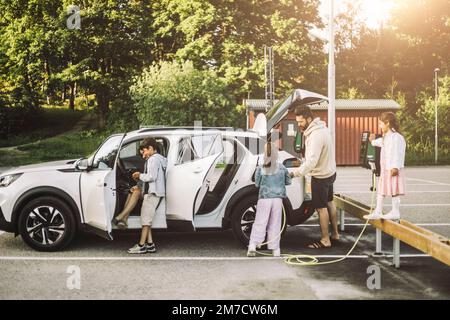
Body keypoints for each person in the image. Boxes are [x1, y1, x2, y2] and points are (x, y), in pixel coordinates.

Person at [290, 105, 338, 249]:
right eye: (297, 122)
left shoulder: (315, 135)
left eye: (301, 122)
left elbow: (312, 162)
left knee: (320, 208)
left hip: (321, 177)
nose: (299, 125)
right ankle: (335, 234)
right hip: (330, 172)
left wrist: (295, 172)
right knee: (330, 202)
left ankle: (325, 240)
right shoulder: (322, 128)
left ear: (309, 119)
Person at [247, 141, 292, 257]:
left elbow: (257, 184)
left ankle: (253, 245)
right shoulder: (282, 168)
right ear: (276, 153)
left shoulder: (261, 167)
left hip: (264, 198)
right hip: (277, 199)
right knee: (275, 223)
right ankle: (275, 249)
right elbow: (288, 182)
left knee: (260, 222)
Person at [127, 138, 167, 254]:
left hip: (152, 193)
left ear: (150, 148)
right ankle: (150, 244)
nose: (143, 156)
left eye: (144, 152)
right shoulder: (160, 159)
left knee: (145, 220)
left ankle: (141, 245)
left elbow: (151, 177)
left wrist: (139, 175)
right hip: (157, 192)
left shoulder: (152, 160)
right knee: (147, 219)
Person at [363, 112, 406, 220]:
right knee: (381, 189)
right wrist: (372, 141)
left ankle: (395, 211)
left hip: (392, 168)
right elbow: (380, 142)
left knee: (394, 190)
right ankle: (378, 211)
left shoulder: (396, 137)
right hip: (385, 169)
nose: (379, 126)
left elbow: (397, 152)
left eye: (380, 124)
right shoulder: (387, 137)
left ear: (387, 123)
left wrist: (395, 167)